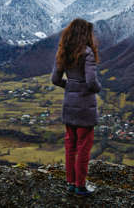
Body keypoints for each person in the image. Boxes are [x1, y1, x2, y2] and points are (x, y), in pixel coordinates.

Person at [51, 18, 102, 196]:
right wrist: (97, 88)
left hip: (69, 105)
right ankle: (81, 185)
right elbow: (91, 81)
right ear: (85, 34)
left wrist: (71, 86)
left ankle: (71, 183)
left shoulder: (63, 52)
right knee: (83, 146)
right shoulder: (87, 52)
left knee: (70, 145)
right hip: (85, 106)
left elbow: (55, 79)